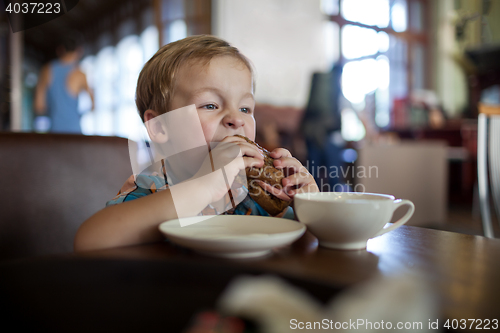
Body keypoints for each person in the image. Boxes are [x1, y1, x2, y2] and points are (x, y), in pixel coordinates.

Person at [74, 35, 319, 252]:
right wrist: (204, 186)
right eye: (211, 105)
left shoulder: (255, 195)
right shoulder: (154, 187)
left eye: (245, 108)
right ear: (160, 125)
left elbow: (306, 248)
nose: (236, 119)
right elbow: (89, 240)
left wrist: (310, 210)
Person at [34, 33, 94, 133]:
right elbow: (93, 105)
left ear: (60, 50)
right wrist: (79, 114)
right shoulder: (80, 74)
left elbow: (38, 107)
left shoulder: (47, 70)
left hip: (54, 133)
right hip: (75, 132)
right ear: (79, 51)